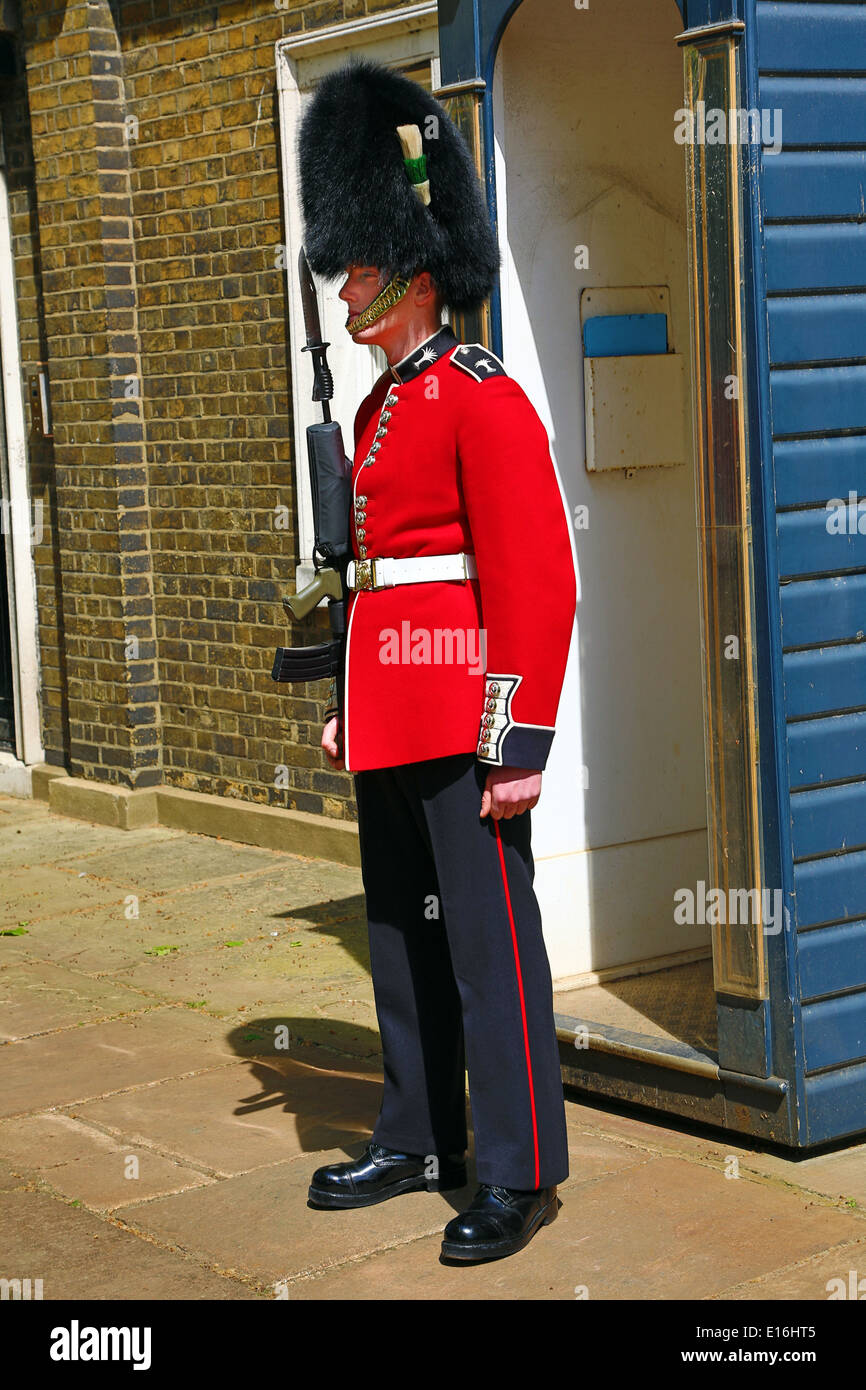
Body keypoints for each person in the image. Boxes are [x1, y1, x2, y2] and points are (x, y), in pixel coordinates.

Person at [297, 58, 577, 1264]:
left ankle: (514, 1169)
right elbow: (378, 582)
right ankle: (416, 1130)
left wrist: (515, 742)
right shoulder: (377, 410)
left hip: (464, 714)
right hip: (390, 709)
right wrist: (349, 713)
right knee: (401, 935)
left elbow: (533, 579)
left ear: (407, 271)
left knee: (487, 943)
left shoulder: (480, 397)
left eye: (359, 263)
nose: (344, 284)